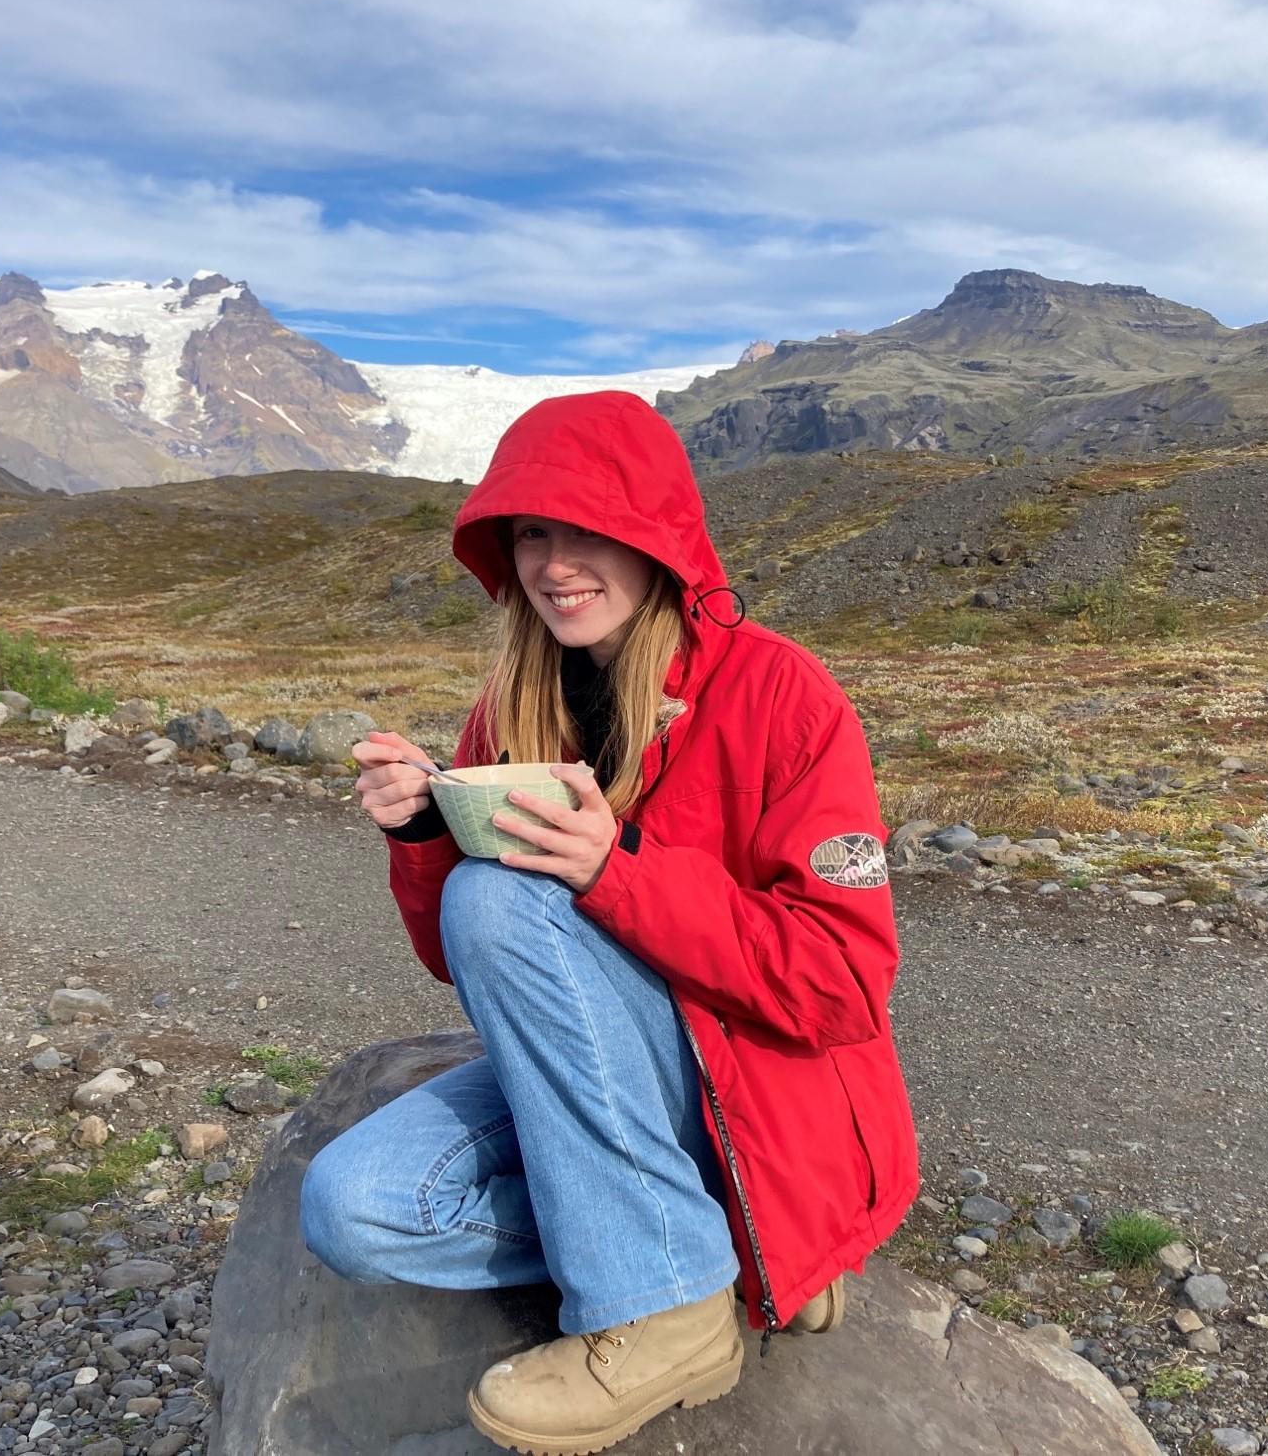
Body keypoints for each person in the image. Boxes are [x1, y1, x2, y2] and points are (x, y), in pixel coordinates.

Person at [300, 391, 918, 1455]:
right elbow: (472, 961)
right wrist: (423, 835)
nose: (554, 562)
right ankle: (718, 1247)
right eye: (531, 532)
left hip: (755, 1079)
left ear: (658, 536)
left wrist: (618, 872)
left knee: (500, 893)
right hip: (602, 1067)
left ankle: (666, 1308)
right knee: (353, 1208)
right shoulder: (510, 707)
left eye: (586, 526)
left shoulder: (784, 695)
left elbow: (844, 986)